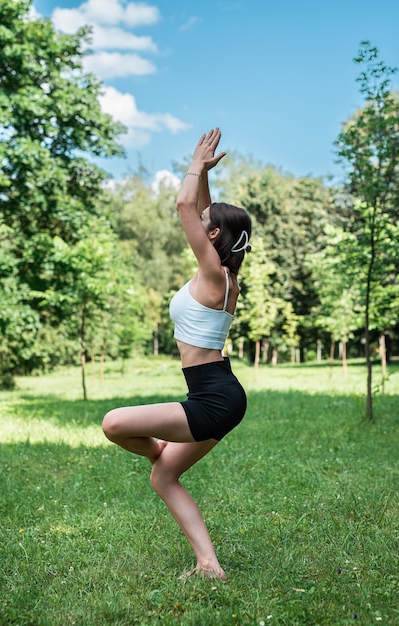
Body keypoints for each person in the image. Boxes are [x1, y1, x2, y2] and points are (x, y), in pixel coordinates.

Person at [102, 128, 252, 580]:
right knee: (163, 476)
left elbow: (186, 205)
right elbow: (203, 211)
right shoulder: (222, 276)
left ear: (212, 236)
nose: (199, 222)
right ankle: (209, 565)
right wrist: (204, 172)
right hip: (222, 394)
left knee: (114, 423)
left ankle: (161, 451)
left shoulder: (212, 274)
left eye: (208, 225)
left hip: (212, 398)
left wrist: (192, 164)